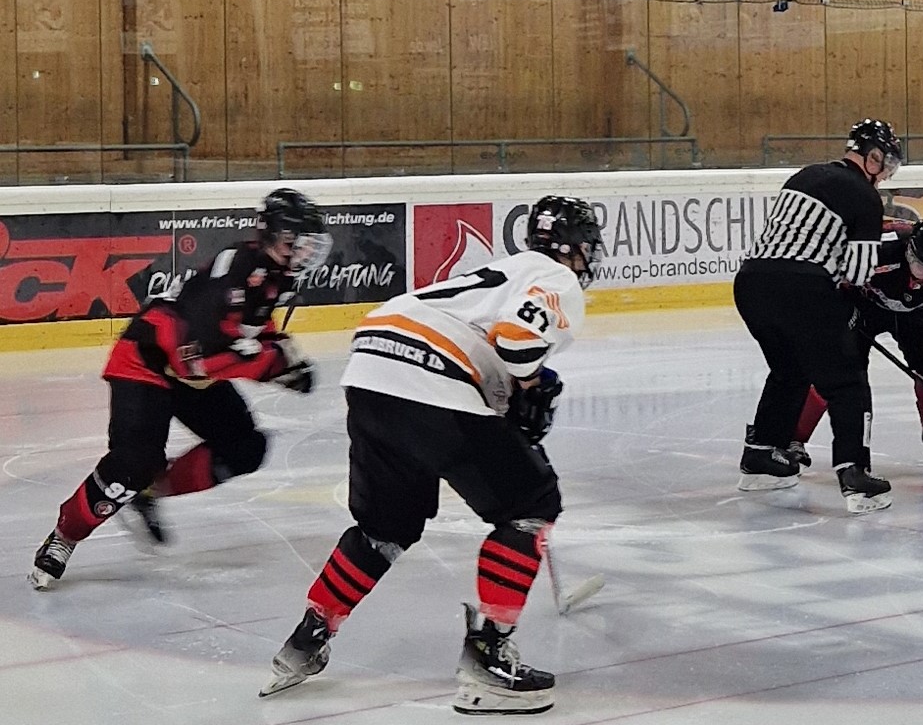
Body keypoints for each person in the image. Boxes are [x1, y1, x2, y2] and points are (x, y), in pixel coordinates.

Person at [261, 196, 601, 714]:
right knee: (530, 506)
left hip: (372, 367)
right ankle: (488, 659)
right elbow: (516, 340)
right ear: (574, 248)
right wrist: (531, 385)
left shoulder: (500, 269)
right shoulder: (558, 279)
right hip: (430, 375)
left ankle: (307, 639)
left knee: (386, 528)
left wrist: (513, 397)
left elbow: (482, 344)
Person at [29, 189, 329, 590]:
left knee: (244, 446)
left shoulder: (273, 278)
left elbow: (247, 333)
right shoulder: (236, 269)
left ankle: (148, 492)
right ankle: (65, 535)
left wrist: (281, 358)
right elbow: (198, 358)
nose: (304, 251)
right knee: (135, 461)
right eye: (297, 240)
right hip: (148, 361)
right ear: (273, 235)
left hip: (188, 374)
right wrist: (273, 365)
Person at [735, 119, 905, 514]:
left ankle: (761, 457)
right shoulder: (864, 196)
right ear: (874, 158)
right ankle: (855, 474)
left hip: (751, 285)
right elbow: (858, 274)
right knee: (846, 381)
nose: (885, 175)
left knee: (790, 370)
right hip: (804, 288)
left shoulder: (804, 175)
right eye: (887, 165)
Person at [788, 218, 923, 467]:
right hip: (862, 304)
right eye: (922, 268)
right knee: (839, 372)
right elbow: (828, 272)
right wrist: (837, 309)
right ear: (910, 252)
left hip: (909, 310)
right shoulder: (880, 249)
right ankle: (793, 438)